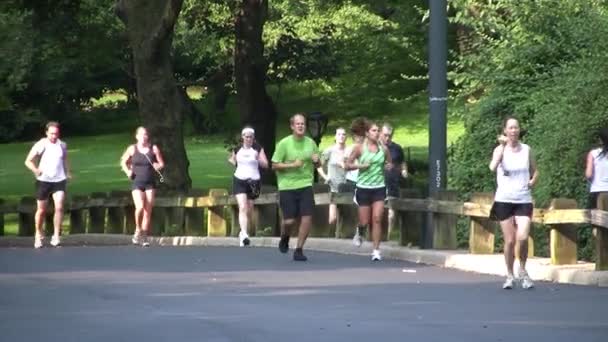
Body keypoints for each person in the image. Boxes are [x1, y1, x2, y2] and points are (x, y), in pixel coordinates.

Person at [489, 117, 538, 289]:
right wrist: (501, 148)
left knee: (523, 237)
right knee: (510, 240)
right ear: (505, 131)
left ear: (519, 130)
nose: (514, 131)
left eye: (516, 127)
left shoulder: (526, 149)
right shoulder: (500, 149)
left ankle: (522, 270)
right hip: (504, 199)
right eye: (510, 128)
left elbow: (535, 170)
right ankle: (509, 274)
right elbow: (492, 167)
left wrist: (532, 181)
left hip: (523, 198)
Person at [272, 113, 320, 261]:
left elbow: (318, 164)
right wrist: (292, 165)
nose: (301, 126)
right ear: (292, 126)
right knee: (289, 221)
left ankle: (299, 249)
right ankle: (285, 236)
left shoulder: (310, 143)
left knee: (307, 217)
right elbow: (274, 165)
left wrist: (317, 160)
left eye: (303, 124)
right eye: (298, 124)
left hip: (305, 184)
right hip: (287, 186)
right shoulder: (284, 144)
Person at [346, 118, 392, 261]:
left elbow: (389, 162)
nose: (377, 133)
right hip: (363, 188)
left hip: (379, 187)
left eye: (378, 130)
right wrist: (361, 166)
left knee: (377, 219)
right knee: (365, 221)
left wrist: (388, 166)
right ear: (367, 133)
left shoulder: (383, 148)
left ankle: (376, 251)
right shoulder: (359, 148)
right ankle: (360, 230)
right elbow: (348, 164)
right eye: (373, 130)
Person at [24, 121, 71, 248]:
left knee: (59, 207)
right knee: (41, 210)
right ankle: (38, 233)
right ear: (46, 133)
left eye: (56, 133)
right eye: (51, 134)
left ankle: (56, 235)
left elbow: (65, 159)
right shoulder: (41, 144)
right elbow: (28, 161)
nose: (54, 136)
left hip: (59, 180)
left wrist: (68, 172)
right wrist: (36, 170)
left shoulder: (62, 145)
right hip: (44, 180)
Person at [120, 126, 165, 247]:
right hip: (137, 182)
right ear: (137, 136)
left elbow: (161, 163)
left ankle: (144, 235)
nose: (143, 137)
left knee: (147, 210)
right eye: (141, 135)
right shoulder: (132, 149)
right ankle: (137, 230)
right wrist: (128, 171)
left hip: (150, 183)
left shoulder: (153, 148)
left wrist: (158, 166)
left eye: (145, 135)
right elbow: (123, 161)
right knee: (139, 207)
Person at [228, 126, 269, 247]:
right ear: (243, 138)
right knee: (242, 206)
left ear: (253, 138)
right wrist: (232, 161)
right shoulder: (237, 149)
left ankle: (243, 231)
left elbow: (266, 164)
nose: (249, 139)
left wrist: (259, 160)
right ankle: (245, 234)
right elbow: (232, 159)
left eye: (251, 137)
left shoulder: (258, 149)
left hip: (254, 181)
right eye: (246, 137)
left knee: (250, 208)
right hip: (239, 180)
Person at [380, 123, 408, 234]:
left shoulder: (397, 148)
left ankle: (386, 237)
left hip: (393, 184)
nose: (387, 138)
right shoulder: (374, 147)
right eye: (385, 135)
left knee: (391, 215)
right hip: (377, 184)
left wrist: (404, 170)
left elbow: (402, 162)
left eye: (390, 135)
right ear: (380, 134)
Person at [317, 127, 347, 226]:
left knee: (344, 217)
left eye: (343, 134)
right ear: (335, 136)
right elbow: (318, 166)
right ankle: (330, 237)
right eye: (339, 134)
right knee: (332, 218)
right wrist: (326, 177)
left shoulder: (349, 151)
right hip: (333, 186)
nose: (341, 136)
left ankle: (338, 238)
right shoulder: (329, 151)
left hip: (346, 186)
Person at [585, 127, 608, 209]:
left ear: (601, 140)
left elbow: (588, 174)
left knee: (600, 219)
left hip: (599, 191)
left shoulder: (593, 153)